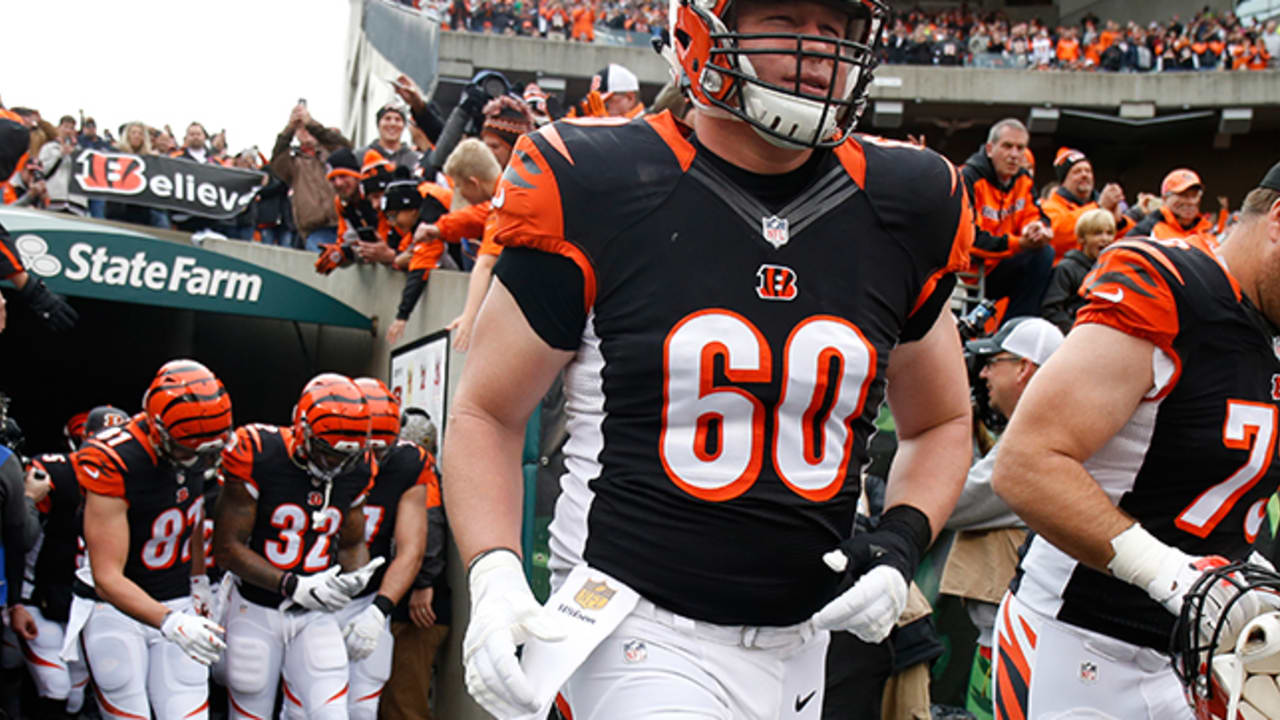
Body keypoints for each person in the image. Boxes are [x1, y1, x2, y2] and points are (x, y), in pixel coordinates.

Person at [443, 0, 975, 718]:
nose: (818, 51)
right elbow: (487, 413)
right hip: (632, 622)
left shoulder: (905, 203)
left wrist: (902, 539)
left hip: (803, 642)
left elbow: (940, 420)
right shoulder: (596, 180)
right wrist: (498, 573)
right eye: (789, 20)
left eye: (833, 29)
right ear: (703, 31)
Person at [989, 161, 1280, 719]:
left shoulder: (1267, 325)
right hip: (1077, 644)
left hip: (1192, 662)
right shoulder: (1170, 284)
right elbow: (1025, 464)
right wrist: (1171, 576)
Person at [213, 373, 383, 720]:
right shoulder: (259, 451)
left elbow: (351, 544)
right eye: (327, 451)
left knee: (332, 713)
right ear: (302, 428)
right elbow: (227, 548)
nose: (335, 463)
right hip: (256, 608)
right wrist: (292, 584)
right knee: (250, 710)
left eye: (343, 455)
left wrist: (356, 583)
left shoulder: (359, 466)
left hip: (315, 614)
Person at [69, 360, 233, 720]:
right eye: (188, 449)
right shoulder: (115, 458)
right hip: (115, 608)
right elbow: (107, 578)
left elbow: (189, 516)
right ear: (159, 430)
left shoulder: (196, 447)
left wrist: (198, 580)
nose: (198, 459)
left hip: (178, 598)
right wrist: (171, 621)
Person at [938, 317, 1064, 720]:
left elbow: (951, 501)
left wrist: (950, 417)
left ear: (1025, 368)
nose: (986, 372)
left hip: (1015, 640)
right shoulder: (1045, 426)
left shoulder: (1040, 435)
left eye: (995, 361)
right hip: (1015, 635)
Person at [11, 406, 127, 718]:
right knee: (56, 686)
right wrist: (15, 602)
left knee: (76, 697)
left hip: (90, 604)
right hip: (42, 597)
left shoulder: (137, 478)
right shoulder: (56, 474)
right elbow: (20, 535)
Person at [390, 138, 503, 348]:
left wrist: (470, 317)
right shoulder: (502, 194)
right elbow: (476, 216)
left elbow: (484, 265)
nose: (459, 194)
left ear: (473, 182)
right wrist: (439, 229)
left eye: (459, 187)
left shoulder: (506, 204)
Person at [379, 407, 450, 720]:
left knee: (403, 704)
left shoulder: (422, 475)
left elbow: (430, 526)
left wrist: (423, 583)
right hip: (402, 602)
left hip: (414, 608)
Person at [962, 118, 1054, 320]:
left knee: (1044, 253)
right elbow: (968, 238)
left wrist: (1038, 229)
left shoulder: (1023, 179)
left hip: (1000, 265)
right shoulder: (968, 178)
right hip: (965, 272)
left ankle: (1016, 331)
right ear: (989, 148)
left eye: (1020, 148)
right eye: (1007, 146)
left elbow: (1037, 215)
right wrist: (1018, 243)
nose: (1014, 155)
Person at [271, 102, 353, 251]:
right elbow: (277, 159)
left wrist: (312, 124)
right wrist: (289, 129)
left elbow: (344, 146)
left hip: (346, 224)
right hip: (316, 230)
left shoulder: (332, 153)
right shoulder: (294, 164)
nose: (305, 131)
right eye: (300, 129)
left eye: (307, 128)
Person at [1041, 147, 1130, 262]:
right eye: (1077, 171)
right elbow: (1059, 235)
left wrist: (1119, 223)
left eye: (1088, 171)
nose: (1084, 175)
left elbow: (1128, 241)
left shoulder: (1099, 204)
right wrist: (1099, 208)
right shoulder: (1049, 207)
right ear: (1064, 180)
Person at [1041, 208, 1117, 333]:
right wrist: (1075, 332)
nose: (1105, 239)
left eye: (1109, 233)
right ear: (1082, 238)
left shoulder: (1114, 270)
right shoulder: (1066, 269)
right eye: (1097, 233)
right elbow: (1051, 309)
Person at [1127, 167, 1224, 242]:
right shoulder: (1148, 230)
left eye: (1194, 195)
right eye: (1183, 195)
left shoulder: (1206, 231)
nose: (1190, 201)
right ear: (1165, 198)